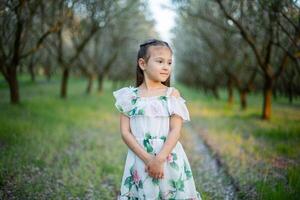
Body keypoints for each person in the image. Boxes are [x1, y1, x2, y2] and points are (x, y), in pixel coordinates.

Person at [113, 39, 202, 199]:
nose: (166, 66)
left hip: (167, 158)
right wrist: (148, 160)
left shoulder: (171, 95)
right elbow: (125, 132)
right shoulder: (129, 97)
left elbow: (176, 129)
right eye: (160, 61)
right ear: (142, 63)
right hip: (140, 159)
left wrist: (159, 159)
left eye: (169, 62)